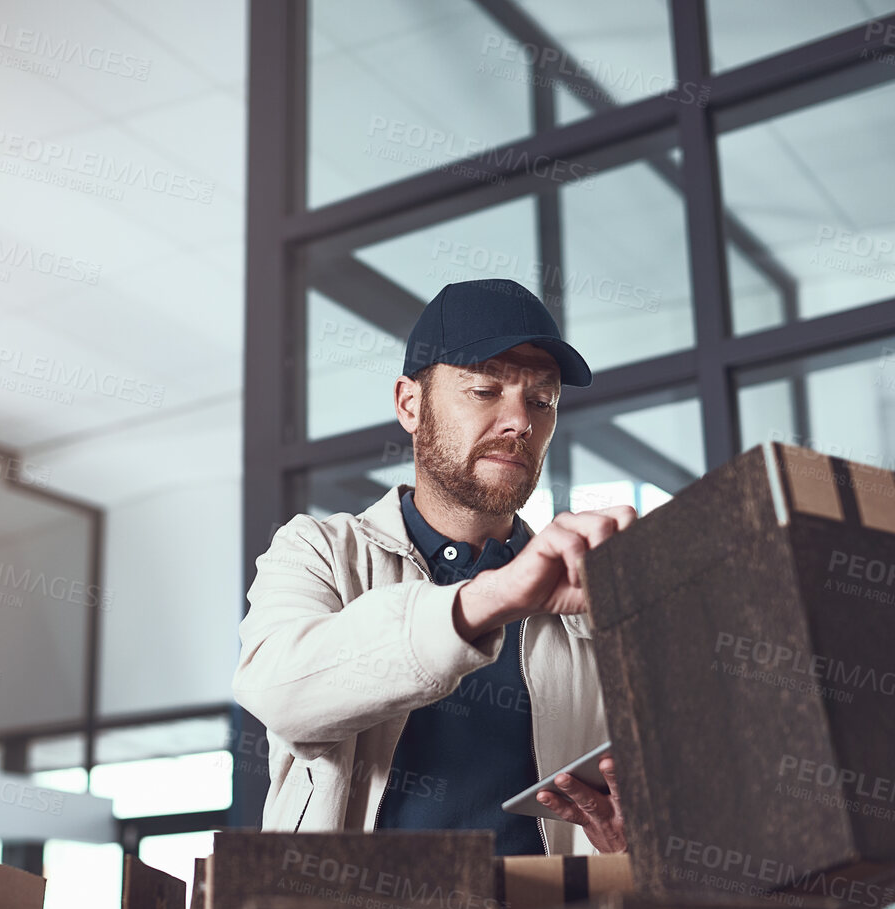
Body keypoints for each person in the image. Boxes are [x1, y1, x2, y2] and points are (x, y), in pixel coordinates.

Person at [234, 278, 637, 854]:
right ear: (409, 403)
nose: (519, 422)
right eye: (484, 390)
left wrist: (629, 844)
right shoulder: (319, 550)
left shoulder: (590, 594)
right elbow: (279, 693)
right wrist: (492, 598)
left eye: (541, 401)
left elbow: (633, 803)